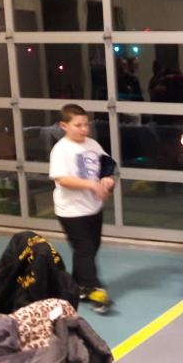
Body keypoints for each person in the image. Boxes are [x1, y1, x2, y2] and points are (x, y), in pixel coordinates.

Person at [48, 104, 115, 314]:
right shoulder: (61, 150)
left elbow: (106, 164)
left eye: (86, 125)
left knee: (90, 248)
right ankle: (95, 292)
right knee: (84, 249)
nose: (84, 129)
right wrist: (91, 185)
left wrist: (106, 180)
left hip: (92, 208)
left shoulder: (93, 145)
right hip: (71, 211)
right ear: (64, 125)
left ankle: (78, 287)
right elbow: (62, 178)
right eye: (78, 125)